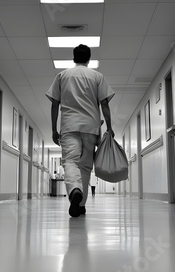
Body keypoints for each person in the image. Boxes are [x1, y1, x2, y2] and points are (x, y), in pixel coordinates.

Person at [46, 44, 115, 217]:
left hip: (69, 125)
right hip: (91, 126)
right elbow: (104, 104)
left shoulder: (62, 75)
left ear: (73, 58)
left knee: (70, 161)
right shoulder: (97, 76)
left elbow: (54, 103)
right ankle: (81, 205)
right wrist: (109, 127)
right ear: (89, 58)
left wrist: (54, 129)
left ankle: (75, 191)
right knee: (85, 166)